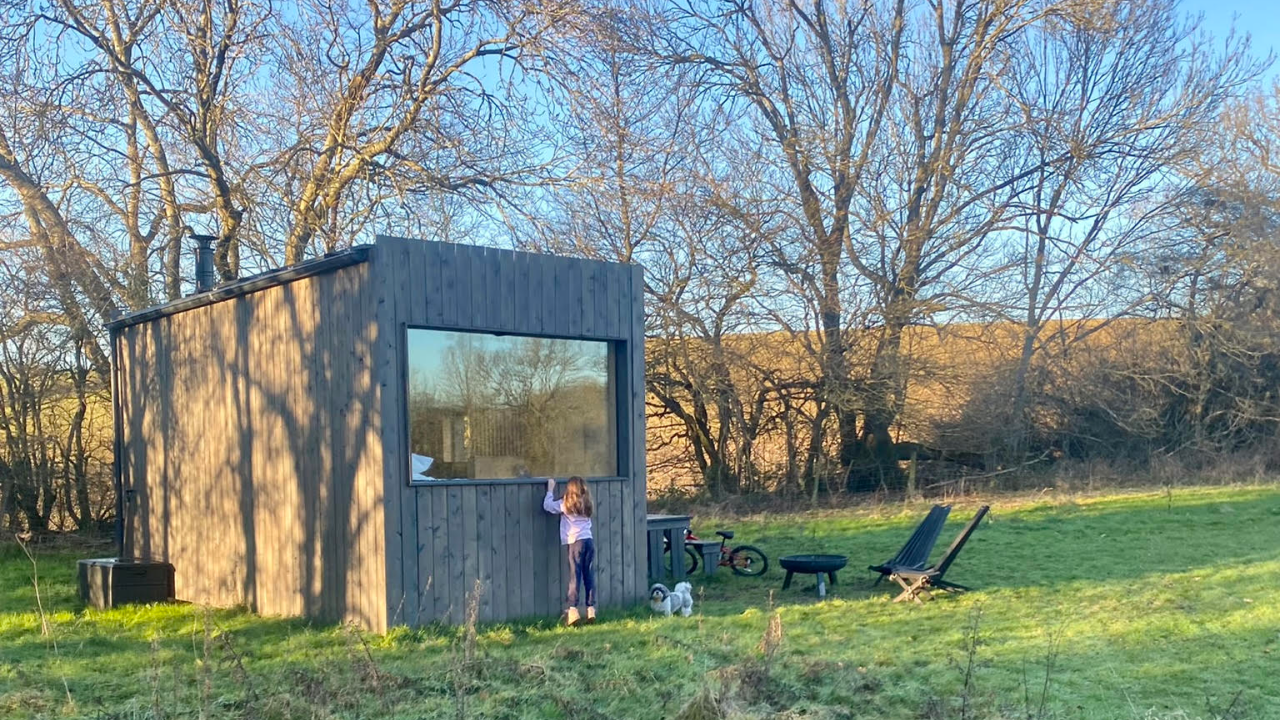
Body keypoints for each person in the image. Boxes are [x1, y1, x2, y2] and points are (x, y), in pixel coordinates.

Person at [542, 476, 595, 626]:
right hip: (588, 541)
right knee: (589, 575)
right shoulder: (587, 504)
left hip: (575, 543)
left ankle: (573, 610)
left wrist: (550, 490)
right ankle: (591, 608)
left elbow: (547, 506)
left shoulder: (566, 504)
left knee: (575, 576)